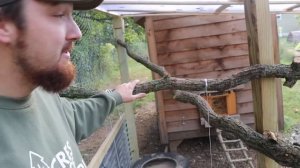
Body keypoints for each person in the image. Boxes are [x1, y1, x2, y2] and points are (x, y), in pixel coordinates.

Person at [0, 0, 146, 167]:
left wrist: (116, 96)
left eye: (71, 15)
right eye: (59, 14)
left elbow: (73, 116)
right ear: (4, 26)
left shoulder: (41, 93)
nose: (77, 32)